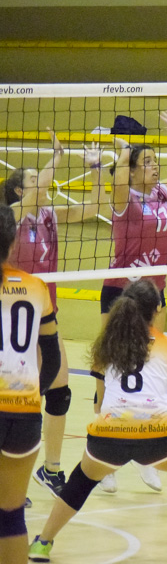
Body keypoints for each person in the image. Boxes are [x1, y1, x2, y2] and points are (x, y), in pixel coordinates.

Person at [28, 280, 167, 563]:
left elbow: (100, 403)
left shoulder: (107, 347)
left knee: (82, 479)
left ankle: (43, 542)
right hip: (159, 438)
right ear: (157, 310)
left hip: (107, 436)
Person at [97, 110, 167, 494]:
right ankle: (106, 460)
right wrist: (123, 151)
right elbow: (120, 176)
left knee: (150, 371)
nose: (156, 167)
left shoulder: (162, 193)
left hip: (152, 294)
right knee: (108, 374)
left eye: (158, 161)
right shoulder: (124, 199)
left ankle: (148, 457)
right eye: (149, 162)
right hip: (120, 292)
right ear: (134, 169)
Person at [2, 130, 106, 503]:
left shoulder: (50, 214)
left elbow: (95, 207)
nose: (42, 183)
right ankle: (9, 477)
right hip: (13, 319)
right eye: (32, 180)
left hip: (48, 314)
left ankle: (51, 468)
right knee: (12, 400)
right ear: (19, 191)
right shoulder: (13, 215)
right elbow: (33, 194)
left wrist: (95, 169)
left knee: (59, 392)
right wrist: (56, 157)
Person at [0, 204, 62, 564]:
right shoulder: (36, 288)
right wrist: (32, 392)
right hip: (25, 416)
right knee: (11, 514)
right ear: (12, 244)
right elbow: (51, 358)